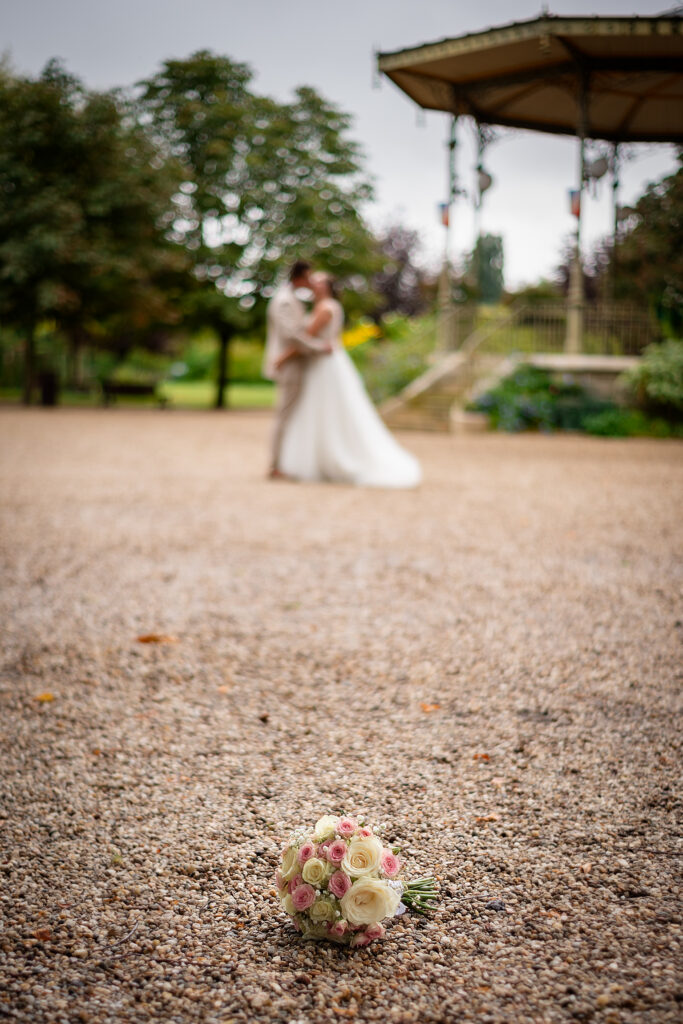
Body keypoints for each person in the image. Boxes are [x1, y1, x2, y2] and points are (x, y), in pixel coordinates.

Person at [275, 272, 422, 488]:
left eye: (317, 281)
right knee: (321, 412)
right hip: (324, 363)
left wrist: (282, 358)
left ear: (325, 287)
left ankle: (332, 459)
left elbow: (306, 338)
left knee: (327, 413)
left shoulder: (325, 308)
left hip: (324, 364)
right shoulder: (326, 306)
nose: (312, 283)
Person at [262, 260, 332, 479]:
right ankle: (275, 465)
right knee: (285, 415)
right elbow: (290, 336)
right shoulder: (284, 301)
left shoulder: (291, 299)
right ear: (299, 278)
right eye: (309, 278)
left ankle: (285, 462)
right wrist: (319, 347)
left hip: (295, 364)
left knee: (291, 414)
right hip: (290, 367)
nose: (312, 283)